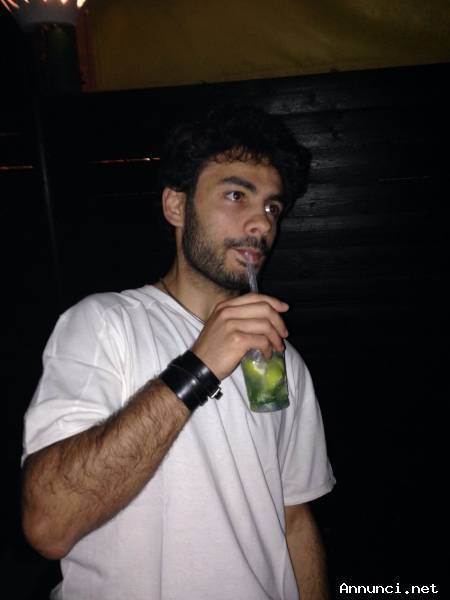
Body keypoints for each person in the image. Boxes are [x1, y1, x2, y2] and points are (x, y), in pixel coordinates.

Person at [21, 104, 336, 600]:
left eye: (272, 207)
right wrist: (199, 365)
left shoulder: (281, 360)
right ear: (175, 206)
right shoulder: (104, 324)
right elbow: (48, 524)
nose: (260, 224)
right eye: (236, 195)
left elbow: (293, 516)